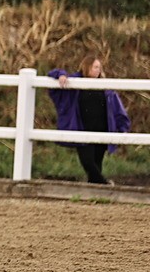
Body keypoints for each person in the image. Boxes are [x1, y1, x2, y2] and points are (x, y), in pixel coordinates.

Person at [47, 54, 131, 184]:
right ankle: (104, 184)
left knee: (97, 163)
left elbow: (117, 108)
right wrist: (61, 75)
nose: (98, 70)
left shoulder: (106, 87)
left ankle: (96, 192)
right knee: (88, 162)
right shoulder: (75, 82)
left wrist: (121, 127)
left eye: (99, 67)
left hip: (102, 129)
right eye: (95, 67)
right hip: (83, 129)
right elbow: (53, 75)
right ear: (87, 67)